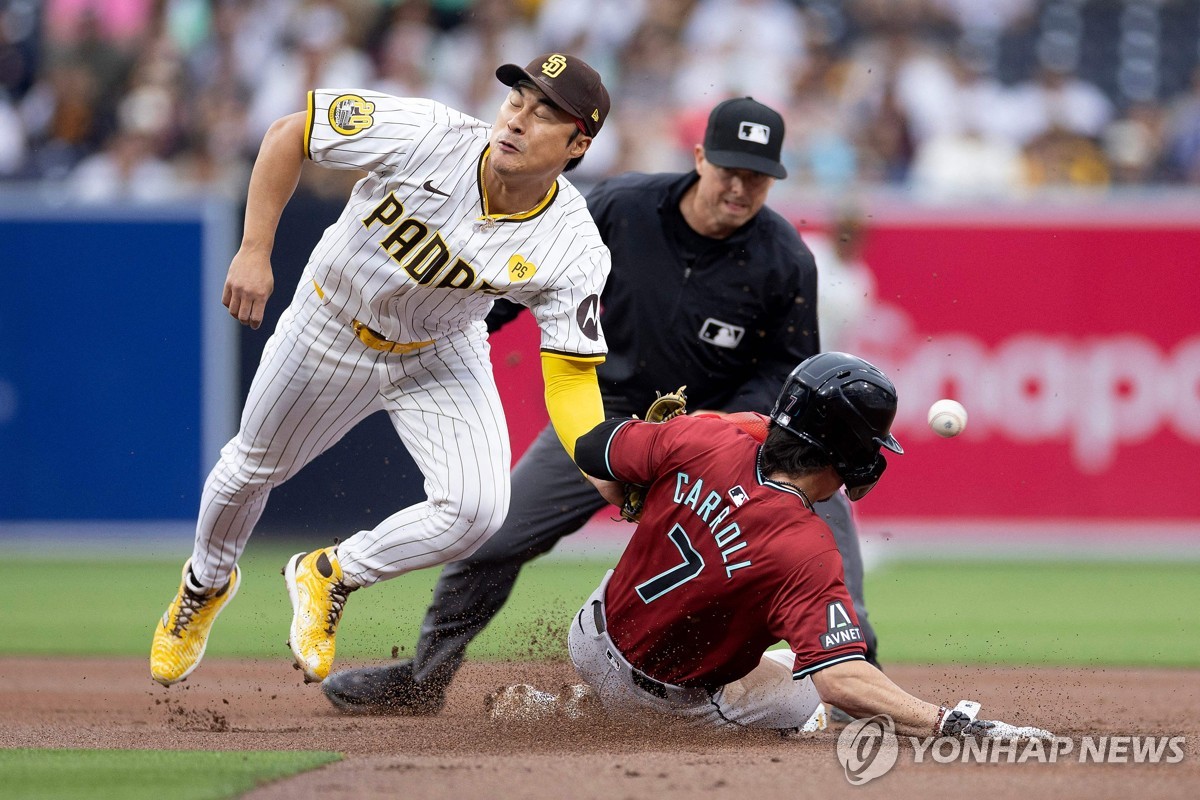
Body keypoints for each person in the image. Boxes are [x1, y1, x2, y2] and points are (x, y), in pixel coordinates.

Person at [322, 97, 883, 714]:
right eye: (730, 168)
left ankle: (858, 698)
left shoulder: (784, 260)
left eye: (758, 176)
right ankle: (422, 681)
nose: (742, 186)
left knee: (833, 551)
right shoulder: (623, 207)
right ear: (699, 157)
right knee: (495, 538)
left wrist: (713, 427)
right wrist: (463, 322)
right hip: (603, 417)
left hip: (724, 437)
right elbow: (530, 275)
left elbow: (786, 375)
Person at [149, 53, 613, 687]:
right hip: (330, 323)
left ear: (578, 142)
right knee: (248, 470)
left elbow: (568, 375)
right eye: (516, 102)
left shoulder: (573, 244)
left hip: (441, 350)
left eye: (544, 115)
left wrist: (598, 460)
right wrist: (254, 249)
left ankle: (331, 573)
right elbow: (292, 133)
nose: (517, 121)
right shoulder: (430, 132)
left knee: (477, 509)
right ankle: (204, 584)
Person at [559, 352, 1052, 737]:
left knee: (776, 659)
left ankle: (567, 706)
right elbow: (842, 682)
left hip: (589, 635)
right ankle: (621, 716)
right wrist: (949, 722)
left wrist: (646, 484)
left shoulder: (702, 437)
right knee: (804, 696)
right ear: (852, 454)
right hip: (660, 700)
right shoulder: (806, 547)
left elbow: (591, 447)